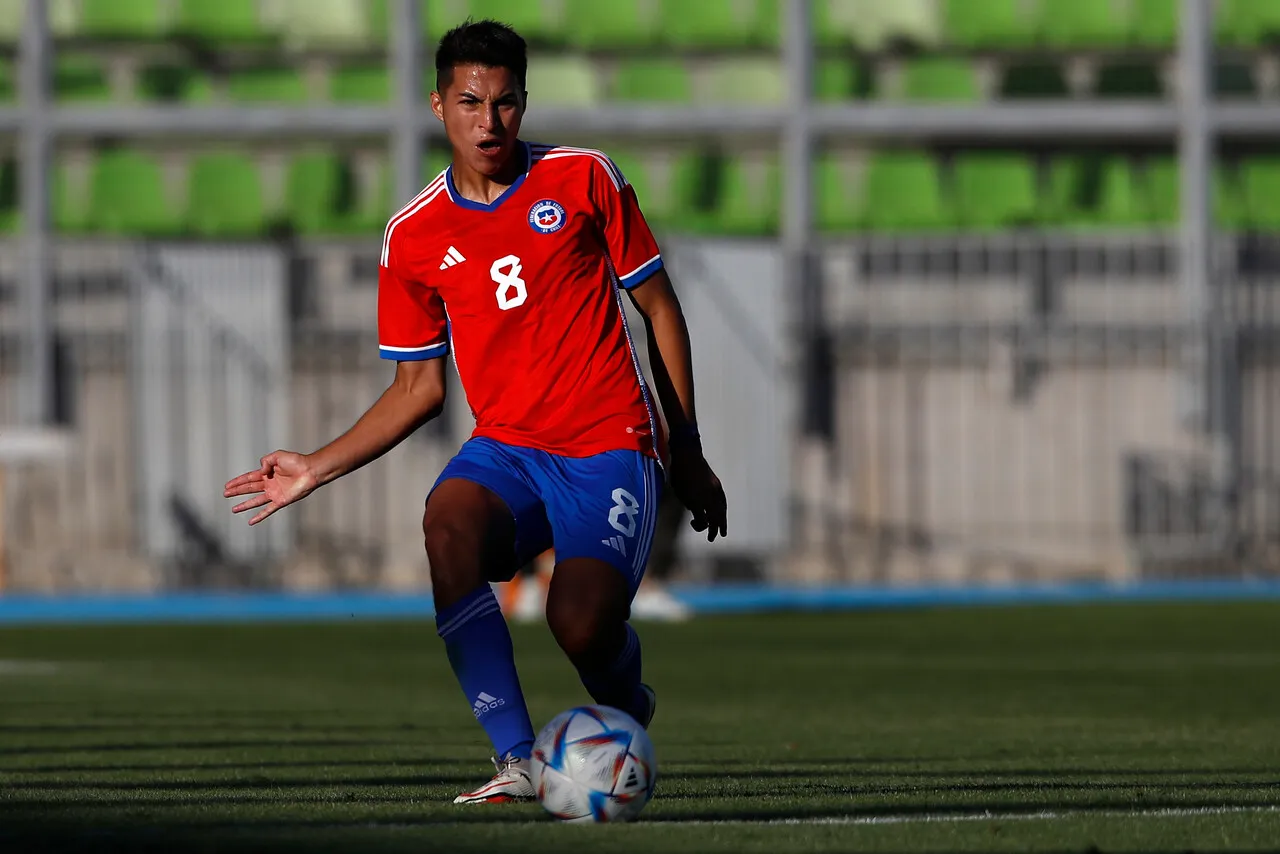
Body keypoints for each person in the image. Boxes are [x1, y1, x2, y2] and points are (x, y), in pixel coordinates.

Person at [223, 19, 728, 805]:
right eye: (470, 102)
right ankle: (517, 759)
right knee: (446, 522)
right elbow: (418, 390)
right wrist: (315, 467)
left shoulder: (586, 178)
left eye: (505, 103)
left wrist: (686, 448)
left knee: (579, 625)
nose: (488, 123)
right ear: (438, 105)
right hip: (509, 451)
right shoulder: (413, 236)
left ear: (523, 104)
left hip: (608, 446)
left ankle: (628, 704)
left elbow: (659, 308)